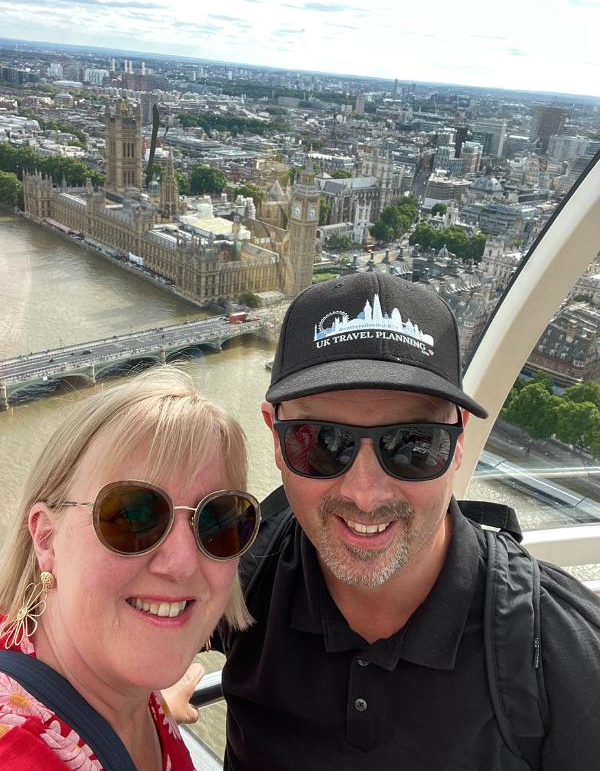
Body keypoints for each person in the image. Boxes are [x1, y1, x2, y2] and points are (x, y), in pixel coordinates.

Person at [167, 272, 600, 770]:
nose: (365, 494)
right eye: (322, 442)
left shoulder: (556, 651)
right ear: (275, 435)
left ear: (458, 442)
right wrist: (138, 700)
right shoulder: (243, 567)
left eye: (413, 445)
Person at [0, 366, 260, 770]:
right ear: (46, 537)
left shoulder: (122, 689)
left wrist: (154, 704)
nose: (182, 562)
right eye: (132, 518)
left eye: (217, 522)